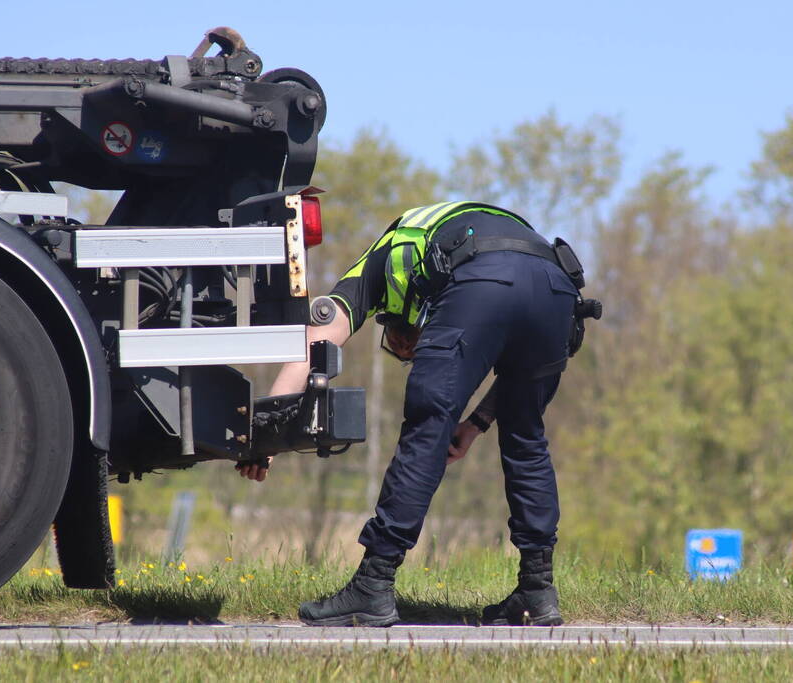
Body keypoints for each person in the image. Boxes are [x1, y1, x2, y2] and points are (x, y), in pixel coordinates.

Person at [239, 200, 583, 627]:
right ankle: (538, 591)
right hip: (556, 284)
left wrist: (266, 438)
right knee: (527, 434)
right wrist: (475, 426)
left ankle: (373, 585)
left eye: (406, 349)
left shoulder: (383, 255)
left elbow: (317, 341)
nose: (408, 352)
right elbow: (515, 385)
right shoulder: (456, 236)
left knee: (427, 427)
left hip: (482, 277)